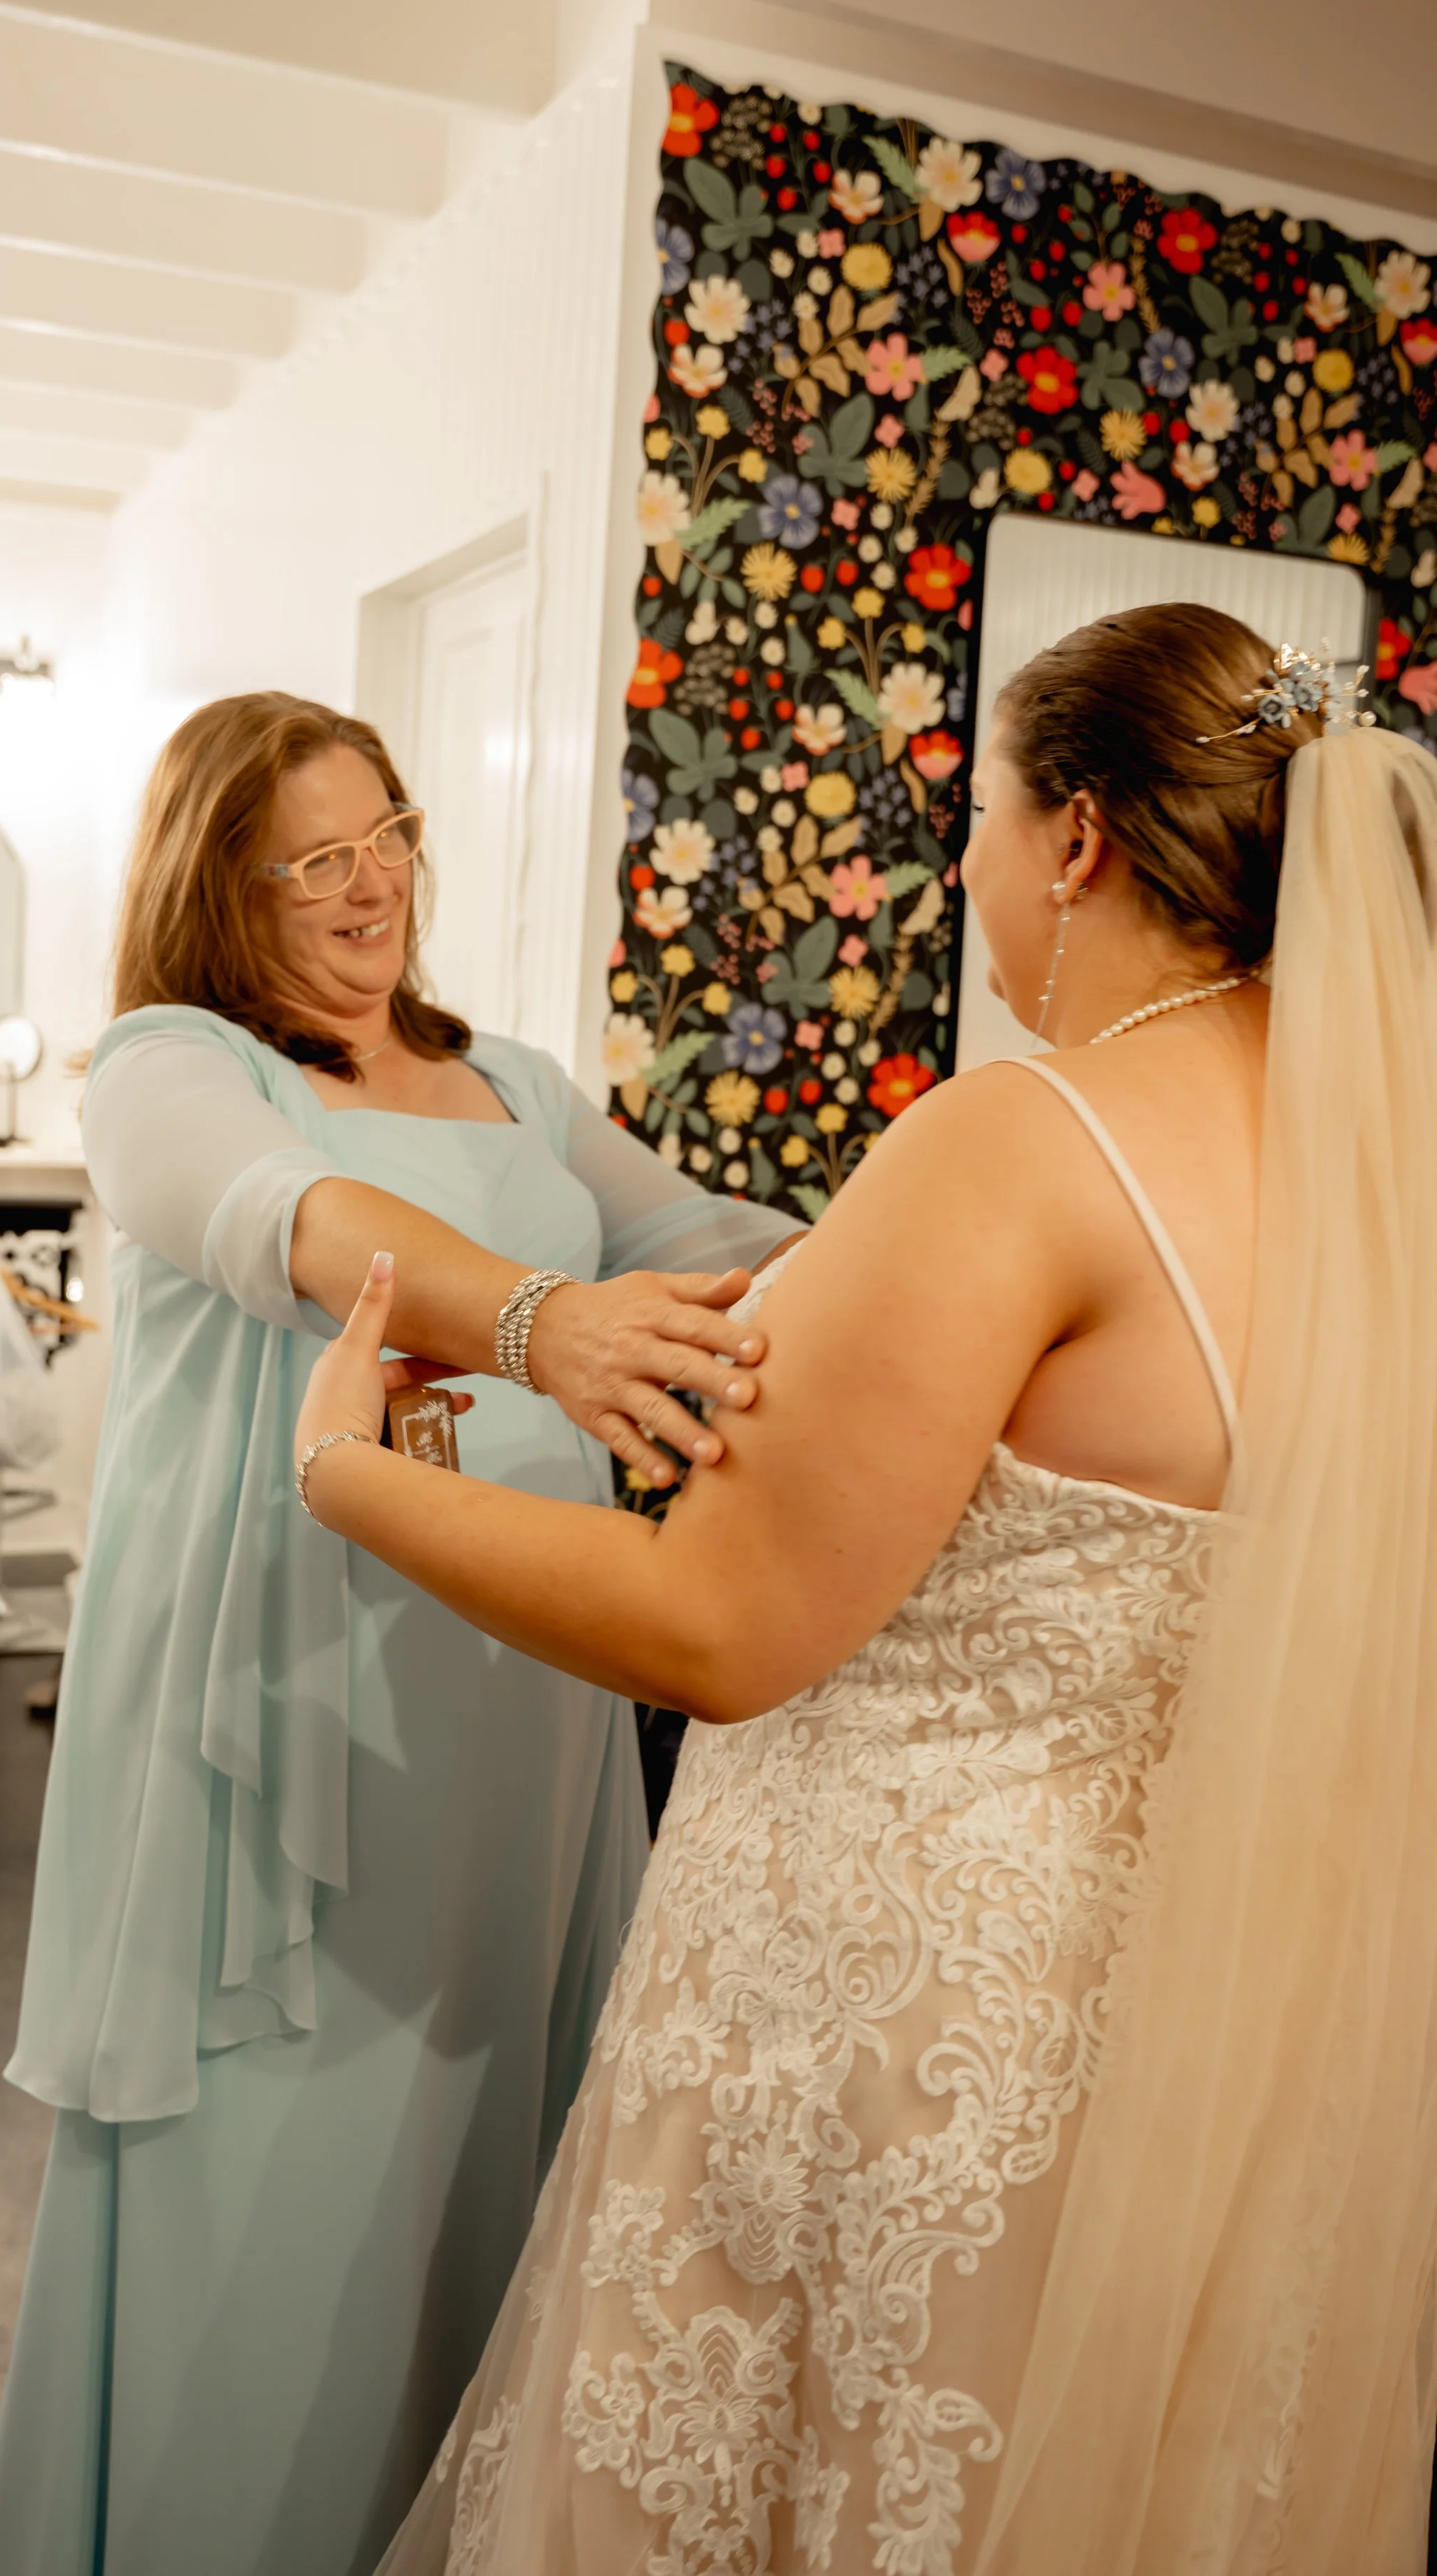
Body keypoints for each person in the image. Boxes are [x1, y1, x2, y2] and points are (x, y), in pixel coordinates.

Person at [295, 607, 1437, 2574]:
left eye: (980, 815)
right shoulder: (1377, 1161)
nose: (965, 865)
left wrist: (352, 1468)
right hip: (1194, 2008)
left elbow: (716, 1629)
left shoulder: (1029, 1131)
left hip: (893, 2009)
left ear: (1075, 838)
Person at [0, 692, 802, 2576]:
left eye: (388, 831)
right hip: (291, 1682)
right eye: (314, 858)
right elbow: (295, 1220)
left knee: (492, 2122)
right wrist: (534, 1327)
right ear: (220, 883)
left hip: (518, 1686)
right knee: (283, 2158)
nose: (372, 885)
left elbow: (694, 1235)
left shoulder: (507, 1076)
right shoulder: (172, 1064)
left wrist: (930, 1256)